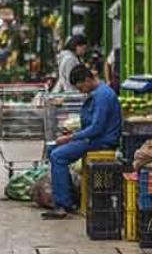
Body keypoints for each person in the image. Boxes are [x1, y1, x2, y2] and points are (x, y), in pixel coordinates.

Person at [42, 64, 122, 219]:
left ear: (87, 80)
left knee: (58, 156)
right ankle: (66, 198)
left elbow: (96, 128)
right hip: (93, 138)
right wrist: (74, 134)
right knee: (52, 150)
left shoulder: (102, 96)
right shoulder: (97, 92)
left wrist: (70, 137)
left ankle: (63, 205)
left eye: (80, 87)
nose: (80, 91)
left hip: (102, 140)